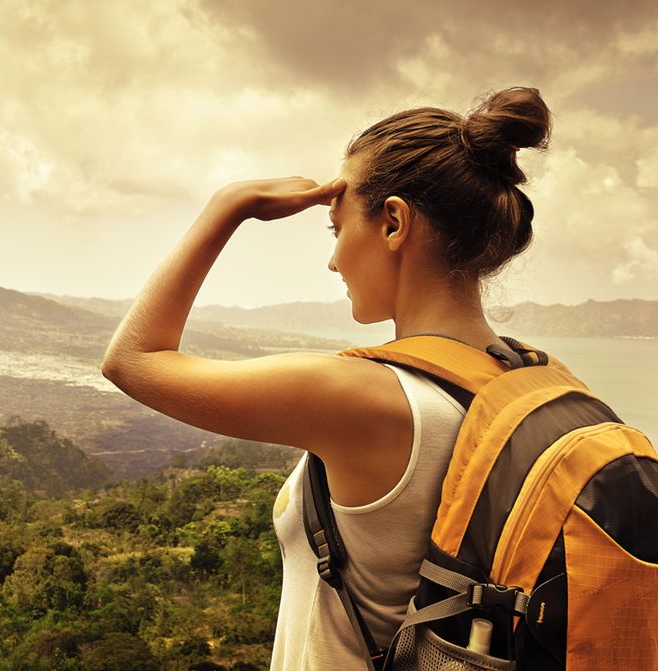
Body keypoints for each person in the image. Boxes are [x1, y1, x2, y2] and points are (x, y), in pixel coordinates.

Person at [101, 87, 551, 670]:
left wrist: (227, 206)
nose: (333, 259)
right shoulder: (528, 377)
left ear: (393, 223)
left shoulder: (369, 397)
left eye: (335, 229)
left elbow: (131, 360)